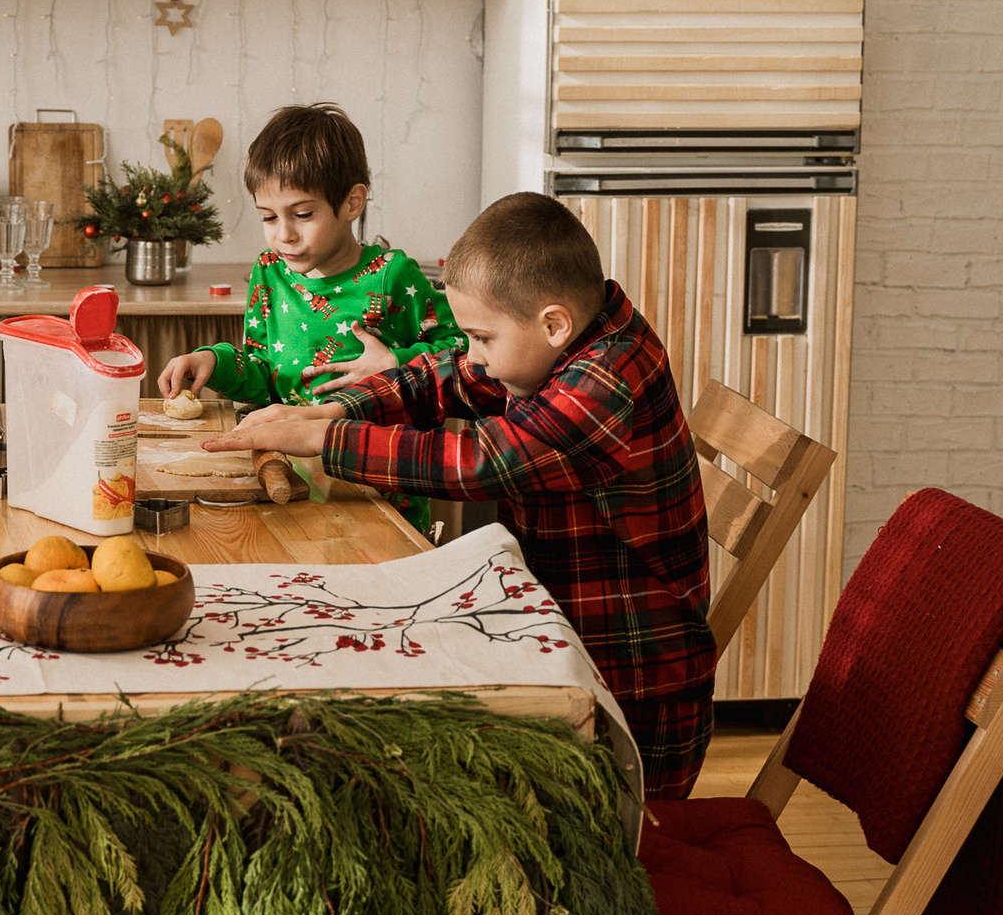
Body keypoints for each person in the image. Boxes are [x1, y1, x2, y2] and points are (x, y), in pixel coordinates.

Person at [207, 191, 716, 797]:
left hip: (629, 688)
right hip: (557, 635)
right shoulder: (557, 340)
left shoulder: (608, 378)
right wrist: (332, 407)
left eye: (480, 336)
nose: (472, 354)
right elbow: (445, 377)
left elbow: (483, 461)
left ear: (553, 323)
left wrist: (330, 439)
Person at [156, 102, 461, 531]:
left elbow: (466, 354)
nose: (284, 234)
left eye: (302, 214)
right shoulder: (269, 271)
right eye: (268, 217)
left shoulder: (393, 275)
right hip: (287, 490)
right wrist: (215, 362)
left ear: (352, 202)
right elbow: (264, 375)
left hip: (378, 493)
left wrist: (396, 364)